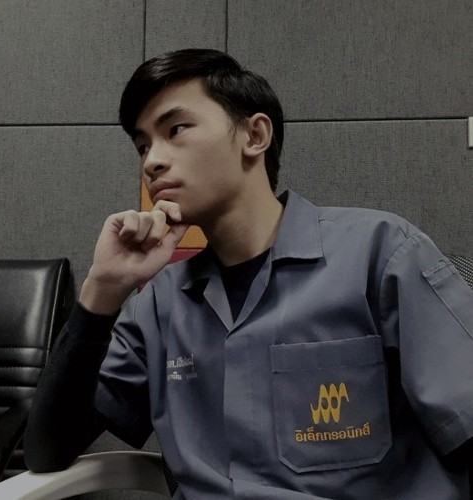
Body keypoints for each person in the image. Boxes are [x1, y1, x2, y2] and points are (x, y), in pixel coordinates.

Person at [25, 48, 473, 499]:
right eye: (143, 145)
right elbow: (47, 450)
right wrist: (104, 289)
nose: (151, 162)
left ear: (254, 135)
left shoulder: (381, 253)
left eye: (175, 129)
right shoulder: (159, 304)